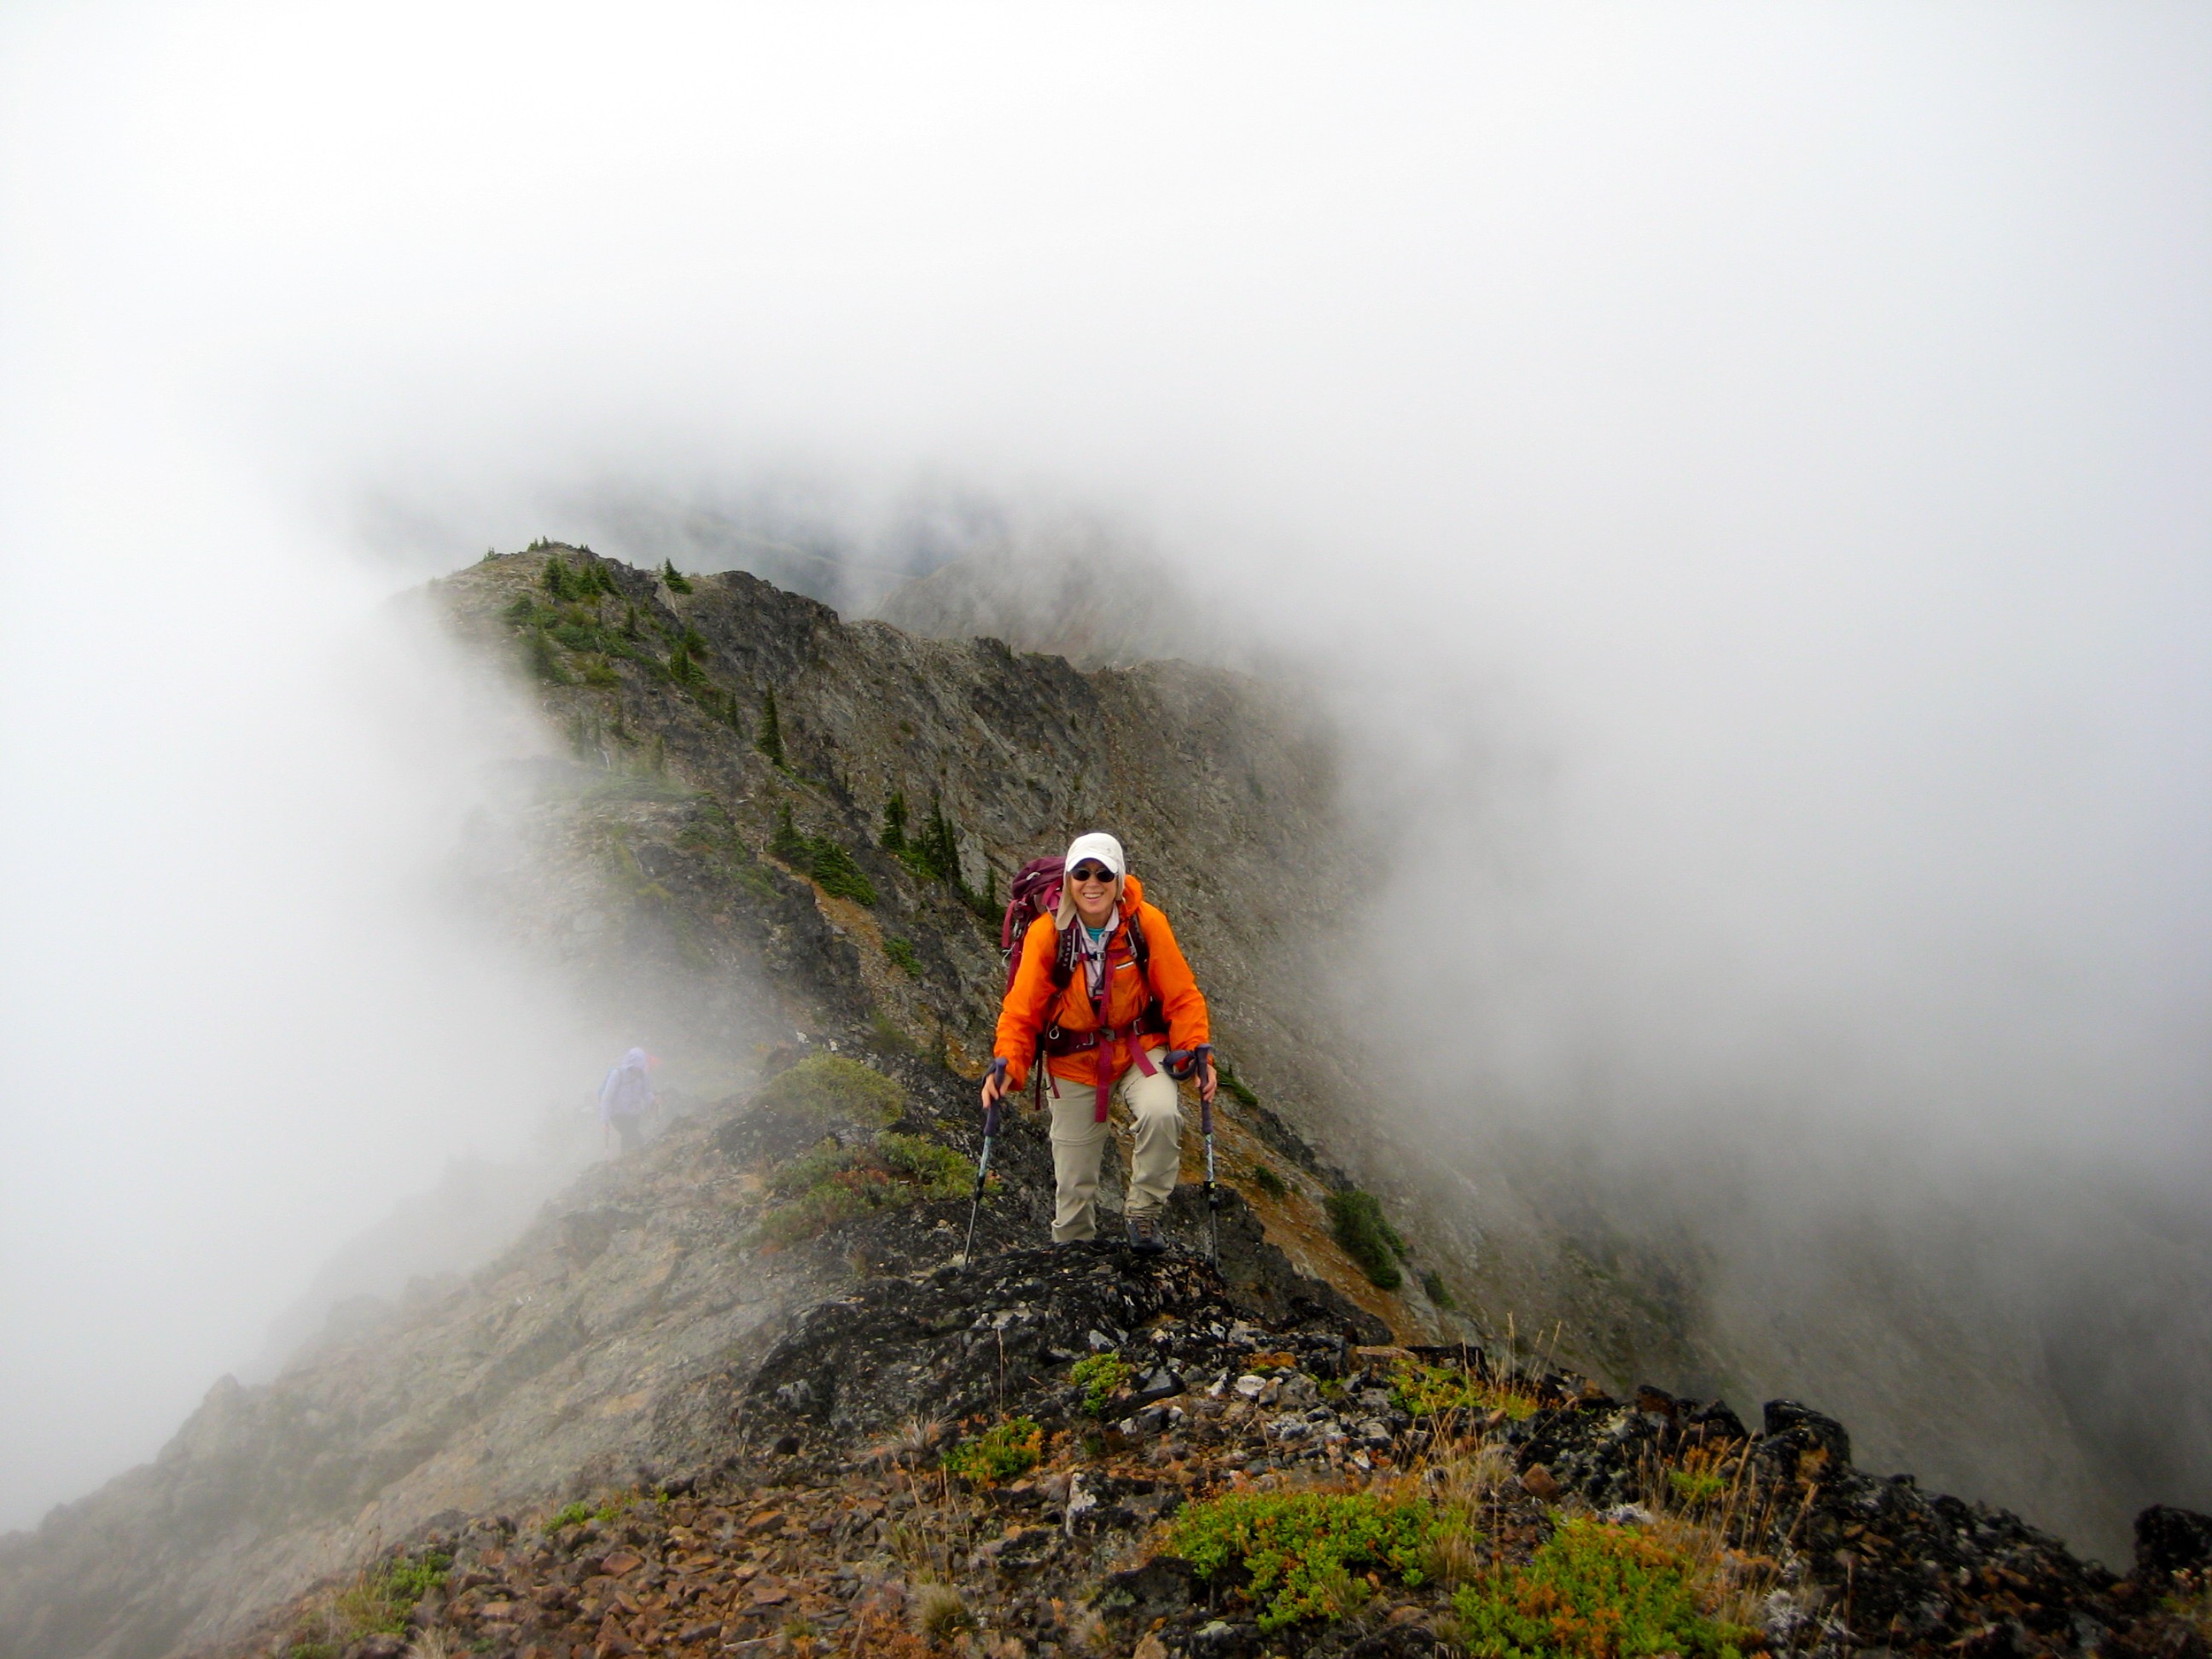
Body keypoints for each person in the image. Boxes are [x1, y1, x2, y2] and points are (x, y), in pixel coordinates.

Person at [984, 832, 1216, 1253]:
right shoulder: (1046, 934)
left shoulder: (1146, 923)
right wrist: (1008, 1067)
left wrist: (1198, 1050)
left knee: (1162, 1115)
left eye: (1104, 873)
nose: (1093, 883)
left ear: (1119, 877)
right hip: (1072, 1061)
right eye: (1082, 873)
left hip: (1138, 1049)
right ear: (1070, 880)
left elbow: (1181, 996)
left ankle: (1143, 1215)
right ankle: (1073, 1259)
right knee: (1074, 1184)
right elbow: (1021, 1012)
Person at [599, 1046, 658, 1154]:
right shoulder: (617, 1074)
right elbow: (606, 1098)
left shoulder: (642, 1075)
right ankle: (631, 1159)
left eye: (639, 1067)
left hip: (634, 1114)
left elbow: (646, 1092)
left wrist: (653, 1100)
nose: (636, 1070)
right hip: (617, 1114)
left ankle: (627, 1160)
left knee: (629, 1136)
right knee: (631, 1135)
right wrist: (605, 1121)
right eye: (634, 1067)